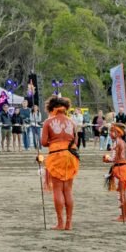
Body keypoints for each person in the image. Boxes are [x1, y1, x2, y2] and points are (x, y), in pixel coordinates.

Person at [40, 96, 79, 231]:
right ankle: (69, 223)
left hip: (56, 156)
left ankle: (60, 223)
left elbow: (44, 142)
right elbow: (76, 142)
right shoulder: (72, 122)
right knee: (68, 190)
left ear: (51, 108)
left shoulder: (48, 122)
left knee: (57, 189)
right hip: (71, 157)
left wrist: (55, 143)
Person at [106, 113, 126, 222]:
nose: (110, 133)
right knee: (122, 193)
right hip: (124, 167)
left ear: (118, 132)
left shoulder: (117, 142)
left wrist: (106, 158)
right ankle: (124, 215)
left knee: (121, 194)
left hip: (119, 168)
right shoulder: (122, 141)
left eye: (112, 131)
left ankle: (123, 216)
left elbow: (114, 158)